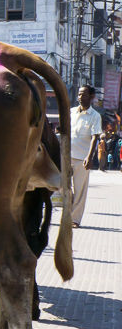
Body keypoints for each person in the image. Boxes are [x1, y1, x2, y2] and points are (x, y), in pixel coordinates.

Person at [68, 85, 102, 228]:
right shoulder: (70, 112)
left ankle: (75, 219)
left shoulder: (95, 116)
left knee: (80, 190)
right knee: (64, 187)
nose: (81, 97)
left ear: (92, 97)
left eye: (84, 94)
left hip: (82, 159)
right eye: (79, 94)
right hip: (66, 156)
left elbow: (95, 138)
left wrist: (90, 157)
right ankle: (66, 215)